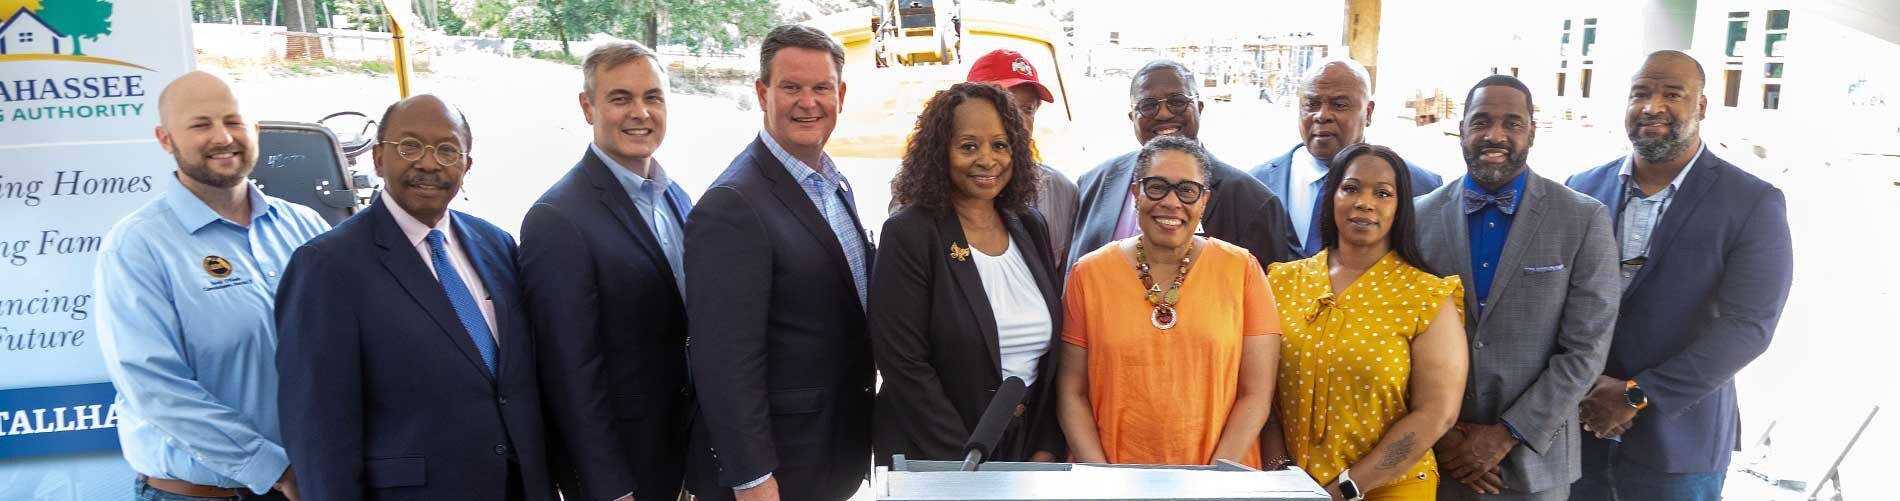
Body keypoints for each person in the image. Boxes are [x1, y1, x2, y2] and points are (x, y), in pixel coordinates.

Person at [275, 94, 554, 501]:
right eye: (409, 147)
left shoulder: (495, 244)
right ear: (377, 158)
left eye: (447, 150)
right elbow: (319, 430)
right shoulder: (326, 267)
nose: (428, 163)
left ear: (466, 165)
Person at [1564, 50, 1793, 501]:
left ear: (1702, 107)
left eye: (1672, 94)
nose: (1652, 107)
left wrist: (1635, 394)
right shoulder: (1580, 189)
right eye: (1640, 94)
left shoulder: (1751, 202)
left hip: (1679, 450)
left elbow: (1749, 327)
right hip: (1577, 435)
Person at [94, 71, 326, 501]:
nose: (223, 137)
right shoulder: (137, 246)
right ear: (166, 140)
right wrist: (277, 469)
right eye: (201, 125)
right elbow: (154, 385)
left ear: (255, 130)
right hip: (200, 494)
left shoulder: (305, 226)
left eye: (234, 121)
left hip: (312, 482)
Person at [683, 24, 873, 501]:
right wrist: (752, 479)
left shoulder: (831, 183)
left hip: (831, 454)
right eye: (791, 87)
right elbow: (724, 361)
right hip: (778, 472)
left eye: (821, 88)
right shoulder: (732, 203)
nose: (807, 102)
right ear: (762, 93)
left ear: (841, 95)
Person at [1414, 75, 1619, 500]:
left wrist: (1508, 433)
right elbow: (1397, 340)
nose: (1496, 135)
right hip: (1434, 459)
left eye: (1512, 123)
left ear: (1531, 132)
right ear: (1461, 128)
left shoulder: (1582, 219)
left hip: (1533, 464)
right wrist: (1444, 436)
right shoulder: (1417, 219)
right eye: (1482, 121)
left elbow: (1587, 349)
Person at [519, 41, 691, 501]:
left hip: (686, 463)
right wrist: (610, 489)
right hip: (622, 476)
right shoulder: (558, 219)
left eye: (653, 97)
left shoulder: (677, 199)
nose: (641, 112)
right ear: (587, 106)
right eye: (620, 98)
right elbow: (569, 375)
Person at [869, 82, 1066, 466]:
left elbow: (1051, 358)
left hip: (1024, 449)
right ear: (939, 153)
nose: (988, 160)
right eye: (968, 146)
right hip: (939, 452)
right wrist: (967, 462)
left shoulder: (1029, 225)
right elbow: (904, 365)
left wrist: (1046, 442)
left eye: (1000, 144)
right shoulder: (910, 233)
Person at [1057, 135, 1281, 467]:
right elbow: (1071, 393)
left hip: (1220, 481)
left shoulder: (1243, 270)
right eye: (1157, 186)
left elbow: (1257, 393)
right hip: (1112, 481)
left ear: (1204, 200)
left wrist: (1215, 479)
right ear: (1136, 193)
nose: (1171, 202)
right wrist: (1100, 477)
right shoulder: (1089, 274)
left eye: (1187, 190)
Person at [1264, 143, 1466, 500]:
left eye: (1383, 193)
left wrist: (1347, 488)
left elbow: (1437, 413)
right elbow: (1260, 392)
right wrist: (1282, 475)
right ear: (1332, 197)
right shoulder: (1281, 282)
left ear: (1400, 206)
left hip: (1388, 487)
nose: (1365, 202)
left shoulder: (1427, 295)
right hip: (1290, 488)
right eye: (1351, 188)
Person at [1069, 59, 1295, 268]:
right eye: (1148, 105)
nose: (1164, 114)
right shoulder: (1093, 183)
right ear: (1132, 117)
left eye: (1177, 102)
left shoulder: (1252, 203)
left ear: (1200, 108)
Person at [1251, 59, 1444, 259]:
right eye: (1312, 104)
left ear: (1368, 113)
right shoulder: (1257, 184)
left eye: (1339, 105)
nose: (1322, 115)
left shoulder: (1422, 187)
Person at [965, 49, 1080, 262]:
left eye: (1027, 109)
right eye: (1004, 106)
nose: (1017, 120)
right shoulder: (925, 187)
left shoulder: (1059, 189)